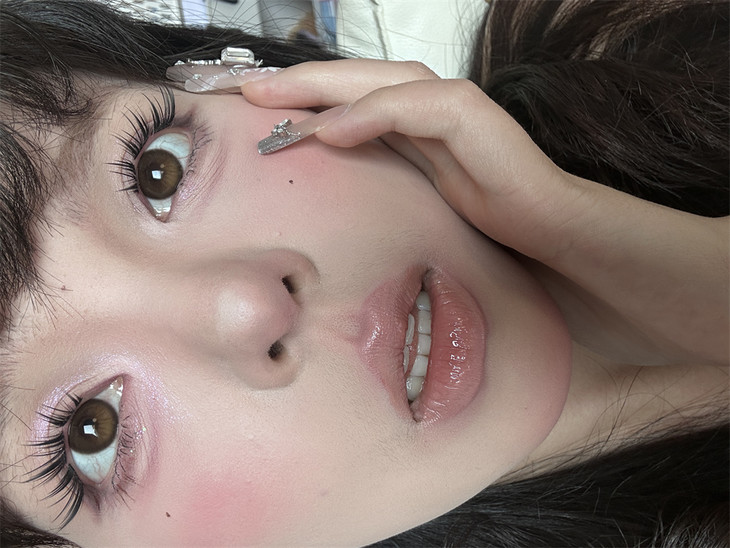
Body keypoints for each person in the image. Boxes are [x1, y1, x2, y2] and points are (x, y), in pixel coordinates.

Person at [0, 0, 727, 546]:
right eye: (91, 430)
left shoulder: (652, 33)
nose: (249, 307)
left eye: (155, 171)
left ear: (235, 78)